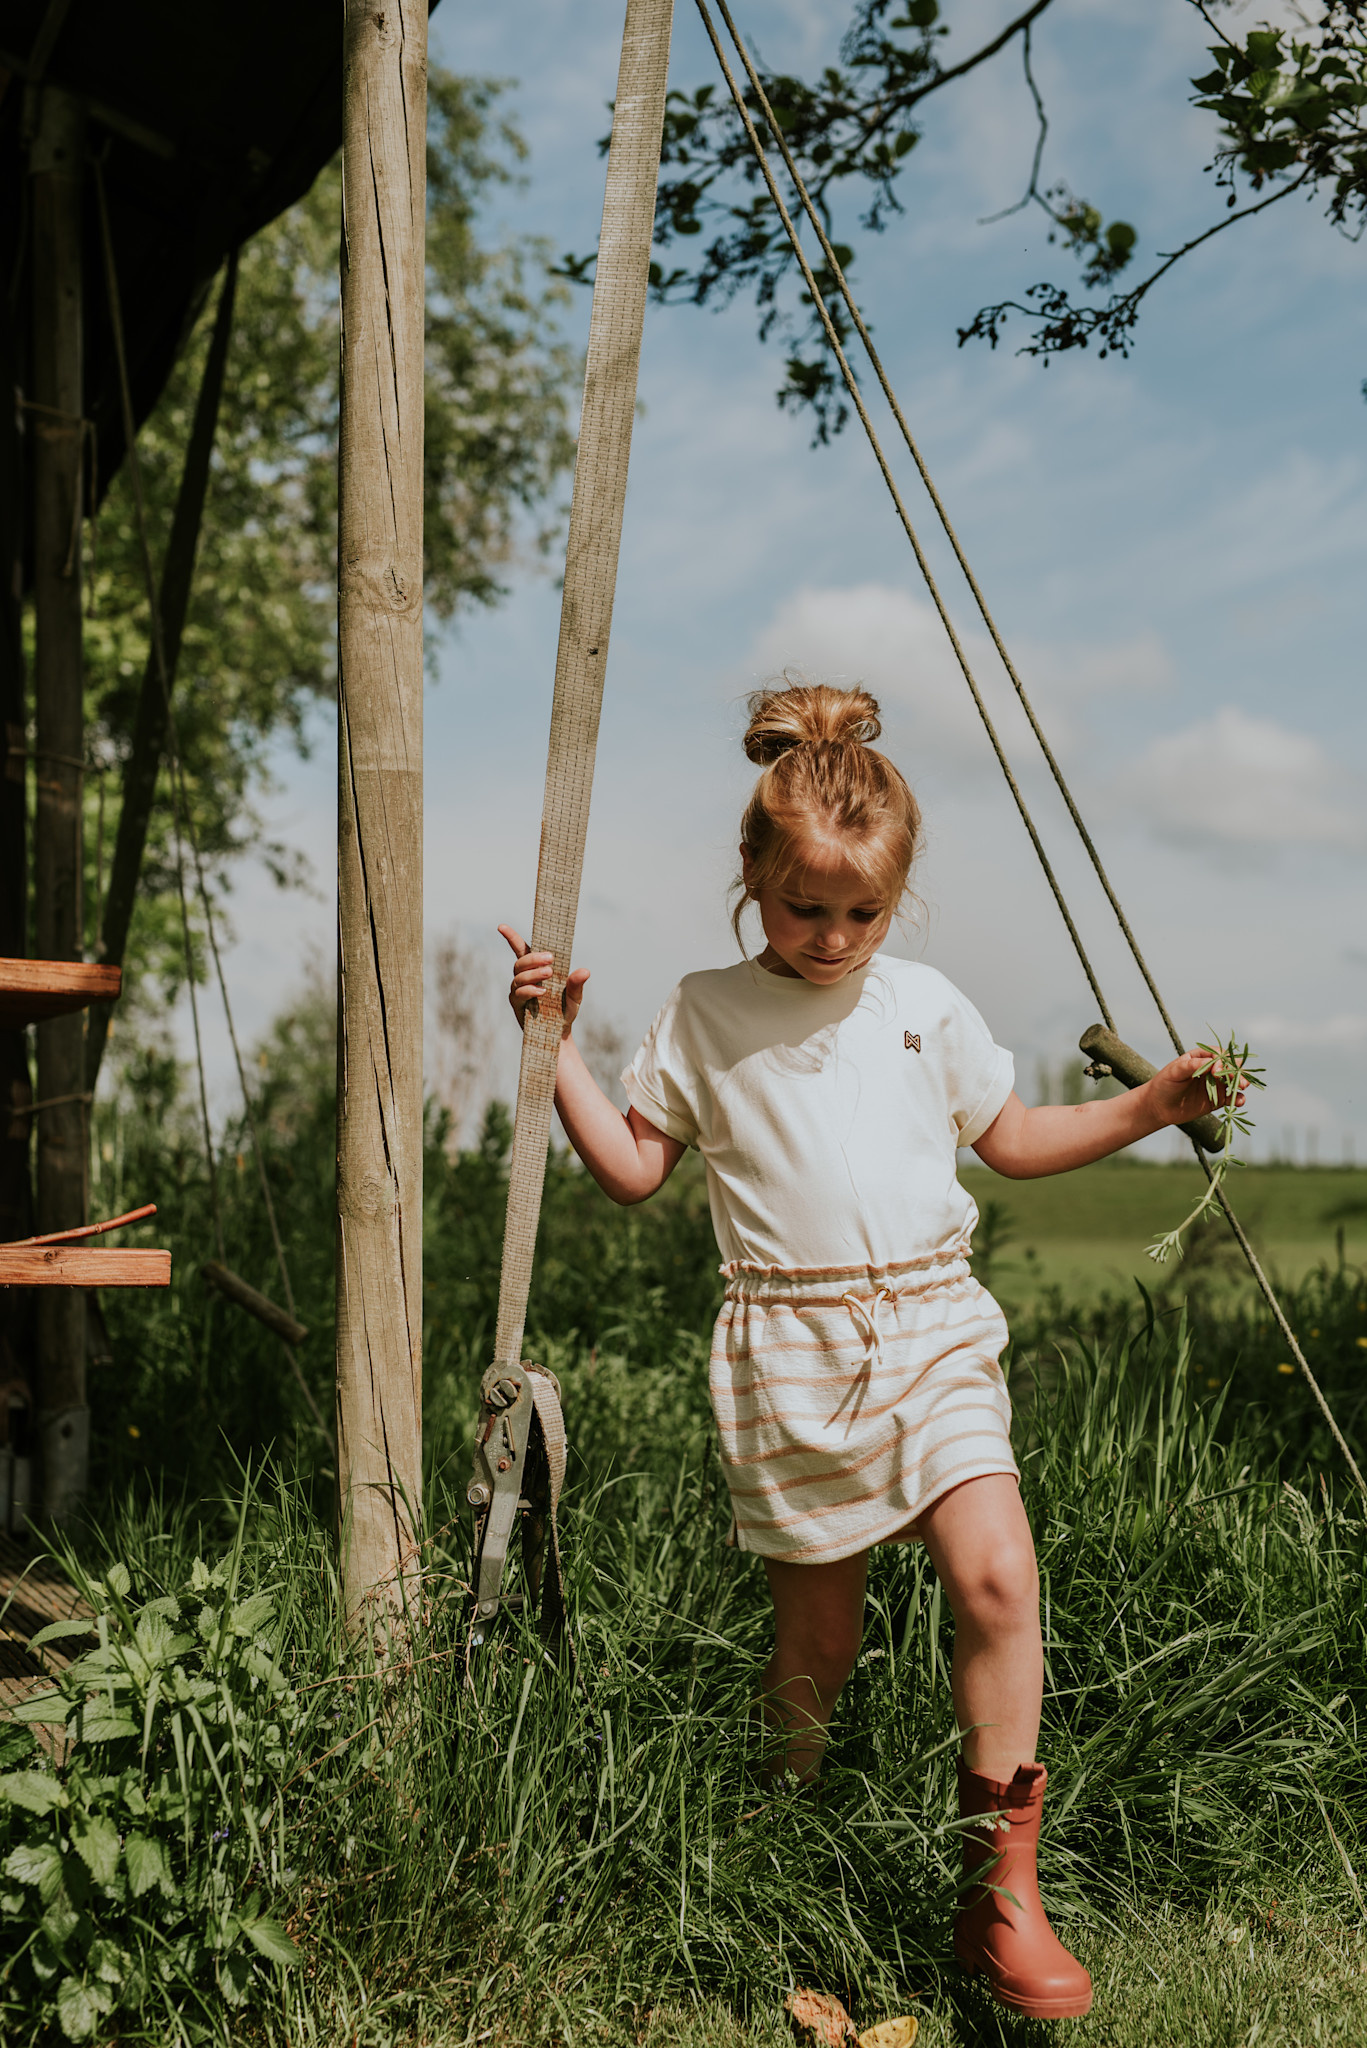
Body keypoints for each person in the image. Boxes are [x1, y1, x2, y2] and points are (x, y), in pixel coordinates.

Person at [499, 682, 1244, 2023]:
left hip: (931, 1324)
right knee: (818, 1647)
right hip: (787, 1350)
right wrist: (551, 1045)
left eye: (865, 913)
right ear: (753, 877)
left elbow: (1012, 1140)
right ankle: (771, 1859)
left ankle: (1000, 1898)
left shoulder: (926, 1006)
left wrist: (1150, 1105)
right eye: (805, 908)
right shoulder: (704, 1012)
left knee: (998, 1575)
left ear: (897, 902)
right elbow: (631, 1169)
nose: (834, 937)